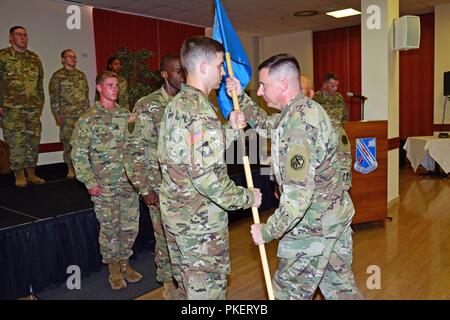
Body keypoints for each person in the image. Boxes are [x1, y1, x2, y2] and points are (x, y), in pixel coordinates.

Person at [226, 54, 362, 300]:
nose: (259, 91)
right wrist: (240, 95)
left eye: (264, 85)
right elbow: (266, 124)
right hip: (334, 218)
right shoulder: (304, 110)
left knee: (288, 294)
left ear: (284, 84)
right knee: (341, 291)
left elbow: (297, 200)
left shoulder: (296, 126)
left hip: (312, 228)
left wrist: (267, 231)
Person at [157, 36, 262, 300]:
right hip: (199, 225)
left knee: (187, 289)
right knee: (206, 296)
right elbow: (208, 179)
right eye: (219, 65)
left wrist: (229, 129)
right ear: (203, 67)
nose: (223, 72)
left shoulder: (178, 105)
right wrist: (248, 197)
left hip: (179, 216)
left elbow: (192, 154)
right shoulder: (200, 112)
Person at [71, 71, 142, 290]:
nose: (115, 88)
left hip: (128, 184)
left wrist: (139, 177)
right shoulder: (88, 119)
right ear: (99, 88)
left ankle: (125, 263)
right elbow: (79, 154)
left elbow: (135, 147)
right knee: (110, 229)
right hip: (104, 186)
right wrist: (89, 181)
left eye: (117, 85)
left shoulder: (126, 115)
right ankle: (113, 269)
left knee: (130, 227)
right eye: (110, 85)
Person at [124, 53, 185, 299]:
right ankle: (167, 280)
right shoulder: (147, 105)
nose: (182, 75)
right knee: (164, 236)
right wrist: (144, 188)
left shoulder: (188, 102)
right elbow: (133, 149)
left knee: (182, 236)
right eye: (178, 71)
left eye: (184, 71)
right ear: (165, 74)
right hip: (159, 185)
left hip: (185, 185)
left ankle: (184, 279)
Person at [0, 26, 45, 187]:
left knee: (33, 141)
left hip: (32, 109)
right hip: (11, 109)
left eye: (25, 35)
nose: (23, 37)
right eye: (18, 34)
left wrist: (40, 104)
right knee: (16, 142)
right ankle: (19, 174)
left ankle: (31, 173)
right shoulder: (3, 56)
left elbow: (39, 85)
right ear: (11, 38)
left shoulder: (34, 58)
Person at [49, 49, 90, 179]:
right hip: (67, 116)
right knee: (68, 143)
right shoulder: (57, 76)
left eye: (74, 57)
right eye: (69, 57)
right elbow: (54, 97)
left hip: (82, 115)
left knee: (83, 142)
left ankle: (83, 168)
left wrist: (88, 112)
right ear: (62, 60)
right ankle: (70, 168)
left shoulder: (81, 75)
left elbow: (86, 95)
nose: (73, 59)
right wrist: (56, 113)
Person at [313, 72, 352, 190]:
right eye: (332, 86)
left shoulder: (339, 98)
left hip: (338, 134)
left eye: (337, 86)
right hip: (323, 138)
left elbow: (345, 116)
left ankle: (344, 187)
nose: (335, 88)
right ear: (324, 84)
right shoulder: (316, 98)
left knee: (344, 161)